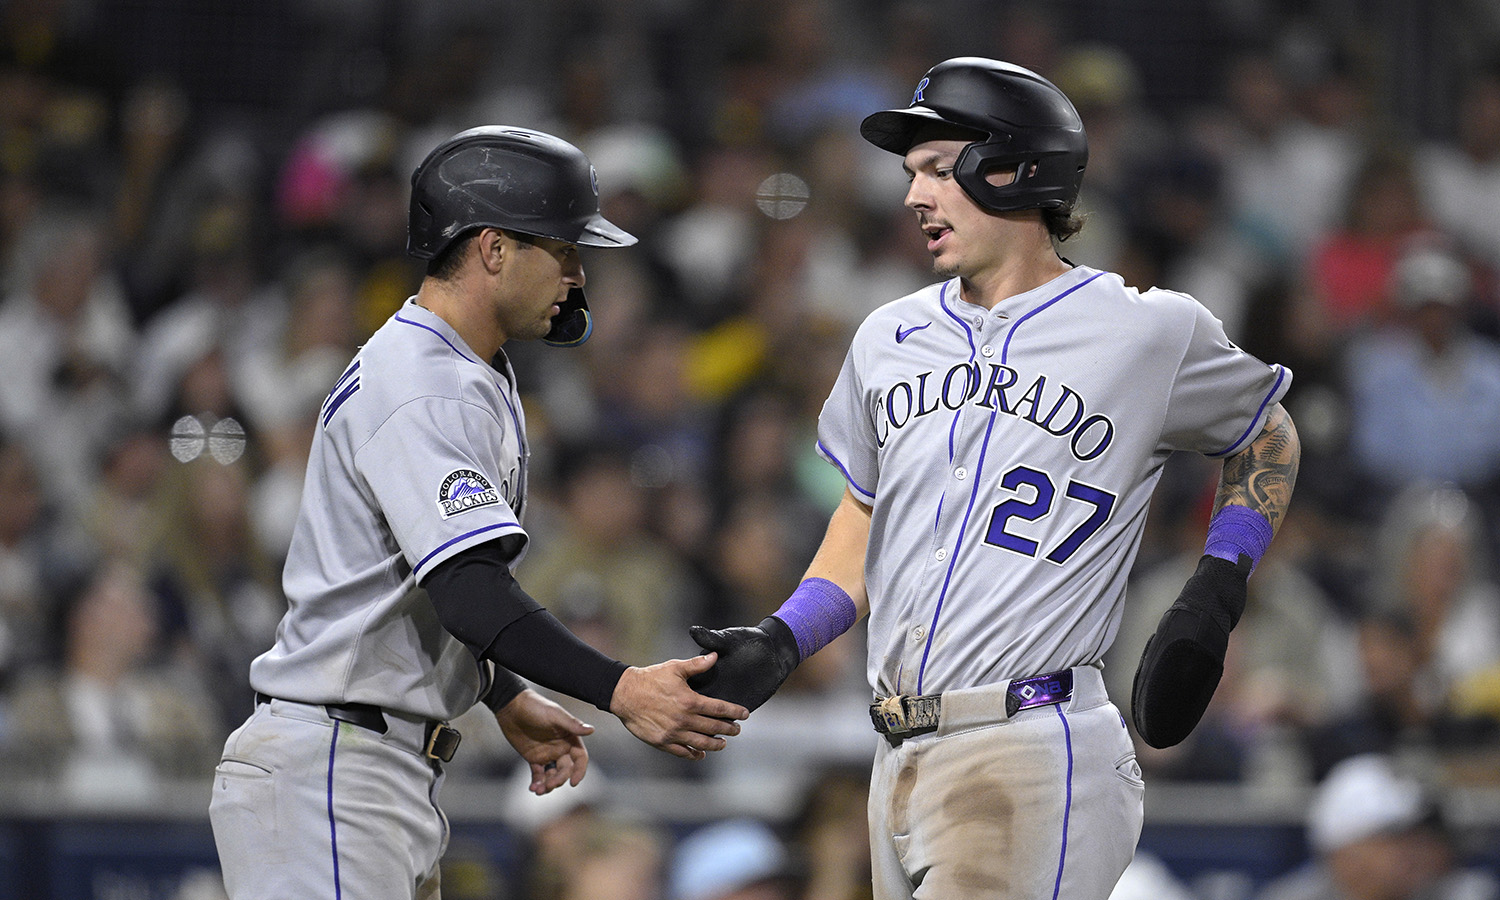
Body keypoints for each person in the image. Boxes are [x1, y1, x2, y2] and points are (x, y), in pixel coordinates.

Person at [688, 58, 1300, 899]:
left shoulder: (1144, 332)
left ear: (1019, 169)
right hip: (894, 752)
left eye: (940, 169)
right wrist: (786, 636)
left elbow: (1266, 428)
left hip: (1029, 743)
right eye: (912, 173)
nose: (914, 195)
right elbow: (866, 518)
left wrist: (1219, 581)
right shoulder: (887, 337)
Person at [208, 126, 748, 900]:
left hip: (367, 764)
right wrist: (622, 688)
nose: (578, 273)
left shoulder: (458, 367)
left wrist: (502, 692)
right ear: (493, 249)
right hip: (331, 768)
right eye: (561, 249)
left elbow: (419, 585)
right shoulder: (422, 383)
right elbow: (468, 588)